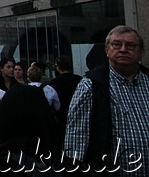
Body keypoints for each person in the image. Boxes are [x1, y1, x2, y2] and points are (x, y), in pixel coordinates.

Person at [64, 25, 149, 173]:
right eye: (116, 44)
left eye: (130, 45)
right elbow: (76, 136)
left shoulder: (148, 81)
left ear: (141, 52)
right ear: (106, 50)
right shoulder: (91, 85)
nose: (123, 49)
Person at [48, 55, 81, 142]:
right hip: (78, 115)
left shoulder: (55, 82)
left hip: (62, 116)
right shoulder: (79, 80)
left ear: (58, 67)